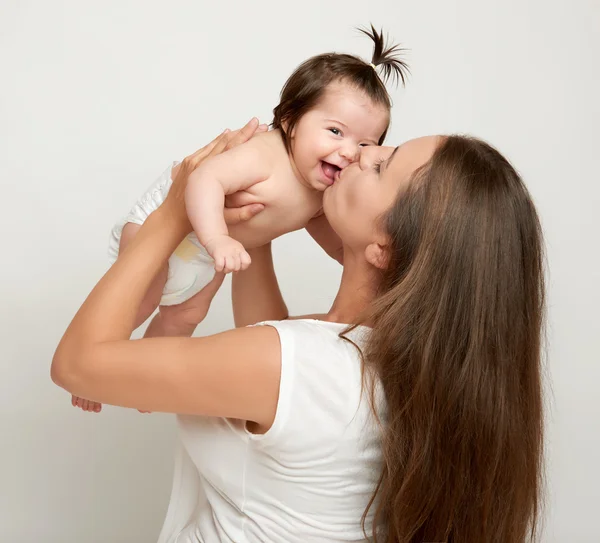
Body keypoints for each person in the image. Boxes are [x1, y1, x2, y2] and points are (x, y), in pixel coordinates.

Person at [52, 118, 545, 542]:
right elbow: (270, 342)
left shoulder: (301, 365)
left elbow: (77, 365)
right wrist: (258, 225)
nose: (360, 151)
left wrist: (173, 213)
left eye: (379, 165)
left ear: (385, 247)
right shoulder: (367, 359)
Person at [72, 26, 408, 413]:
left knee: (186, 316)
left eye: (365, 144)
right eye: (335, 131)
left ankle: (140, 383)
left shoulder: (323, 195)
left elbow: (338, 243)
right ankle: (97, 366)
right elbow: (203, 179)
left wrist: (366, 257)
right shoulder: (265, 154)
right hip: (169, 222)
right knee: (146, 292)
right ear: (290, 121)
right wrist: (216, 238)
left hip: (208, 251)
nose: (349, 152)